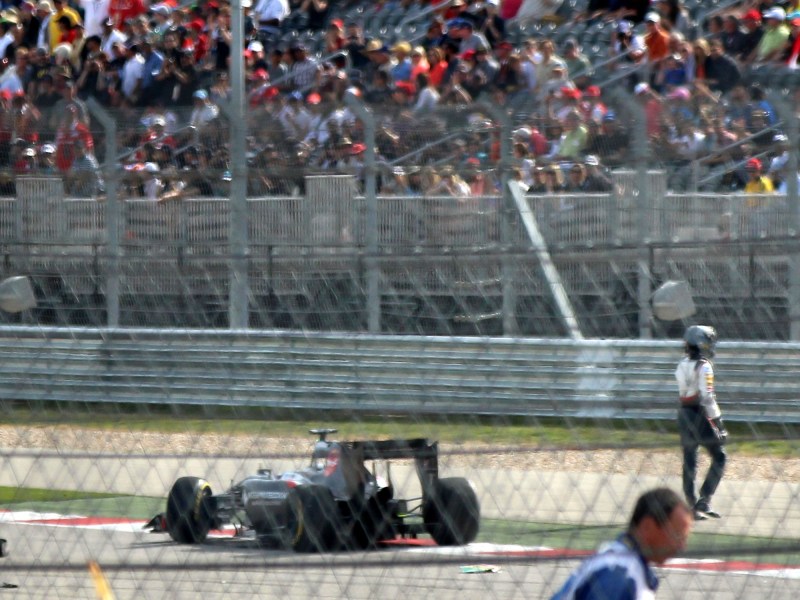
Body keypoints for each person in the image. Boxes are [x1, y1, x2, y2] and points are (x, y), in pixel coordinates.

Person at [551, 487, 693, 599]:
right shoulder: (620, 575)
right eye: (677, 536)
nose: (682, 547)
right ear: (647, 526)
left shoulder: (623, 561)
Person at [675, 325, 727, 520]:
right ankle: (704, 500)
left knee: (690, 458)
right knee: (720, 456)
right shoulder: (705, 366)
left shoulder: (681, 364)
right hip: (701, 415)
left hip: (683, 413)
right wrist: (718, 423)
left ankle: (691, 504)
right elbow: (707, 398)